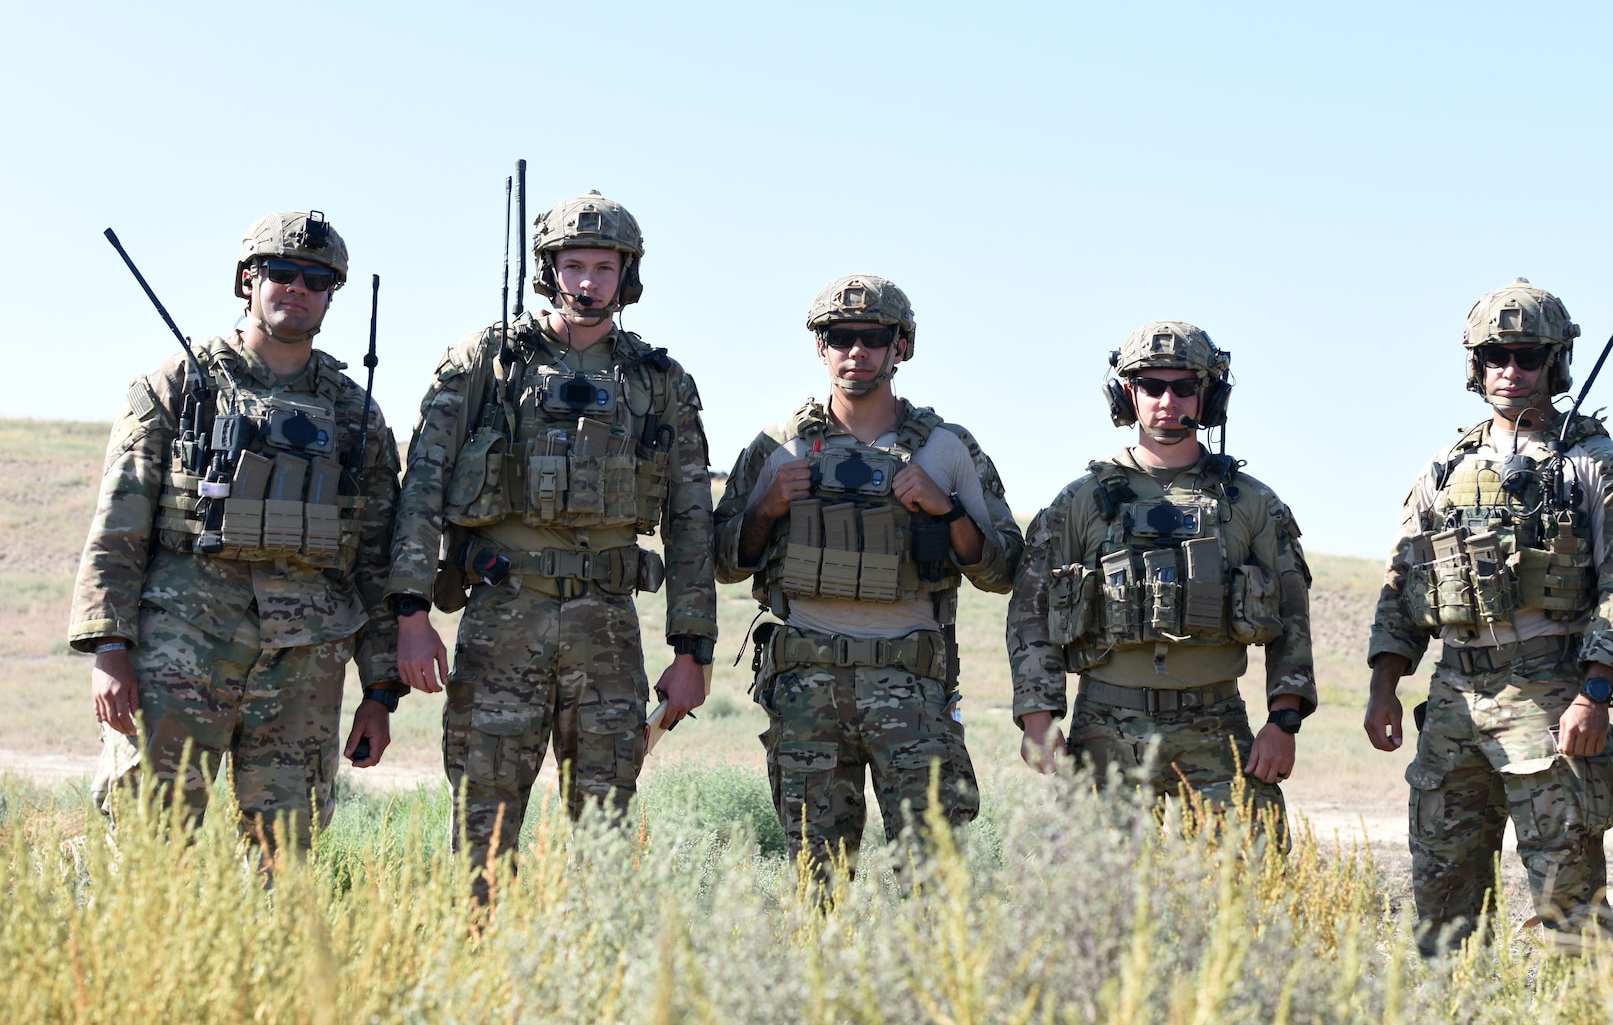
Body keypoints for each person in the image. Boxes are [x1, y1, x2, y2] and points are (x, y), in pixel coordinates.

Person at [387, 191, 714, 868]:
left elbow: (690, 523)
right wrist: (411, 611)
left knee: (603, 831)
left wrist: (693, 651)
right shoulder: (489, 360)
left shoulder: (659, 382)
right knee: (484, 821)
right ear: (549, 268)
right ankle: (480, 961)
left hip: (608, 630)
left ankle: (589, 967)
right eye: (574, 265)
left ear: (627, 273)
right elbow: (421, 483)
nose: (589, 281)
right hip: (503, 615)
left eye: (603, 266)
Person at [75, 210, 401, 846]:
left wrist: (379, 690)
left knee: (287, 851)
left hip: (305, 659)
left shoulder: (355, 410)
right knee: (147, 841)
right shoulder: (175, 385)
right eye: (281, 271)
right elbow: (118, 527)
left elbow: (374, 555)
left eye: (317, 278)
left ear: (332, 293)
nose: (297, 287)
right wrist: (108, 648)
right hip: (180, 649)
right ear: (248, 280)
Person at [1363, 280, 1613, 953]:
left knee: (1568, 901)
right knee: (1443, 900)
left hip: (1551, 697)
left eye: (1527, 355)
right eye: (1496, 354)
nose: (1510, 370)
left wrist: (1595, 691)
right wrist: (1385, 684)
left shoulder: (1601, 467)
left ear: (1554, 362)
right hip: (1453, 702)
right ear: (1476, 363)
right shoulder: (1443, 470)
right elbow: (1404, 581)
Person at [712, 274, 1021, 870]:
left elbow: (1004, 568)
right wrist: (766, 507)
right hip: (807, 688)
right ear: (819, 346)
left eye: (873, 337)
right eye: (839, 336)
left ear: (901, 346)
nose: (856, 351)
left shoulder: (947, 449)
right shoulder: (777, 446)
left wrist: (946, 508)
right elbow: (723, 562)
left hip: (911, 690)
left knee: (935, 882)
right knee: (816, 880)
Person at [1005, 320, 1315, 830]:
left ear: (1208, 393)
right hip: (1105, 724)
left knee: (1247, 889)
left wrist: (1284, 722)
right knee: (1101, 896)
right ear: (1127, 393)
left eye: (1184, 386)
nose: (1167, 400)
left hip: (1216, 723)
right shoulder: (1080, 501)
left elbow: (1292, 619)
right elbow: (1031, 613)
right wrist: (1038, 718)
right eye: (1151, 385)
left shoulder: (1252, 503)